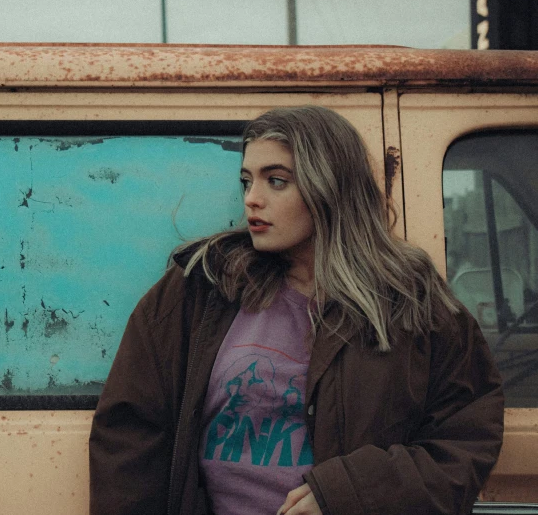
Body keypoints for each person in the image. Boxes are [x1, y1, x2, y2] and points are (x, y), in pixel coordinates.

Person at [88, 105, 504, 515]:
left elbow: (462, 443)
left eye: (277, 181)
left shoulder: (409, 303)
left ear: (330, 187)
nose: (253, 199)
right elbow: (128, 436)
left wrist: (349, 492)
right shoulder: (202, 289)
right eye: (247, 181)